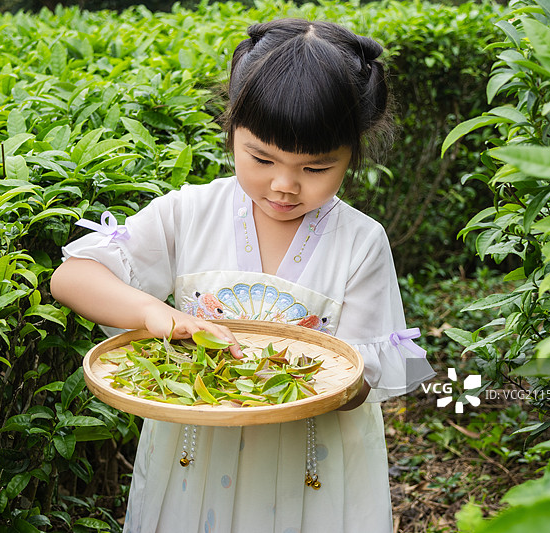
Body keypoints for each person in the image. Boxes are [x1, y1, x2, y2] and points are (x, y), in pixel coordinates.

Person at [51, 18, 435, 533]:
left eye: (316, 168)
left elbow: (371, 376)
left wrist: (298, 367)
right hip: (196, 459)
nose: (283, 185)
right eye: (261, 158)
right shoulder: (188, 214)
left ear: (352, 154)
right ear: (231, 131)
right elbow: (74, 277)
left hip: (309, 464)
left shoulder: (360, 242)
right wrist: (156, 314)